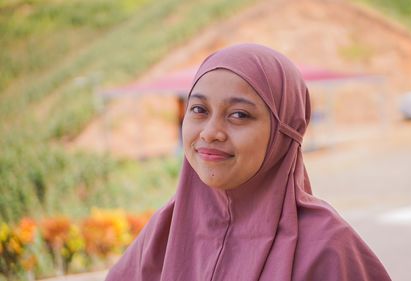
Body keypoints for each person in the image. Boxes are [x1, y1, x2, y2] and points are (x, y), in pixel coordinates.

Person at [106, 44, 392, 281]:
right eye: (198, 109)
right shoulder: (164, 231)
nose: (210, 132)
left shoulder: (327, 247)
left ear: (283, 132)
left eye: (239, 115)